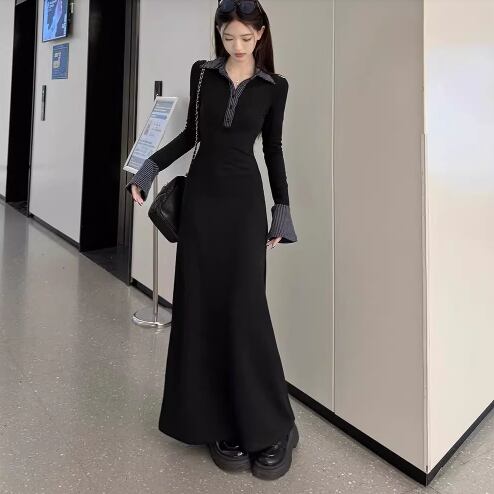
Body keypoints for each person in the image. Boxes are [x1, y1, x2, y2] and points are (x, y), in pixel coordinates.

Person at [125, 0, 299, 481]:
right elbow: (191, 135)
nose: (237, 46)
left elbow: (274, 150)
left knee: (246, 309)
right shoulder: (203, 74)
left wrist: (281, 212)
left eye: (245, 37)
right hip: (202, 203)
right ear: (219, 34)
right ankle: (215, 422)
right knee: (201, 306)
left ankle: (273, 424)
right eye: (228, 37)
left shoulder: (274, 87)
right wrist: (149, 168)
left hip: (244, 206)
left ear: (260, 35)